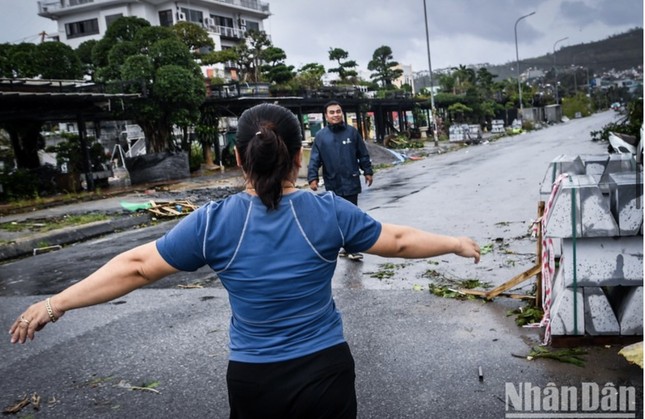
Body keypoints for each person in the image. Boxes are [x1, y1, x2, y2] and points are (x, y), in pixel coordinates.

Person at [10, 103, 480, 419]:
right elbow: (397, 240)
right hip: (326, 375)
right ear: (300, 156)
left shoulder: (214, 223)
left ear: (238, 157)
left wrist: (56, 304)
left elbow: (135, 267)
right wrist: (454, 242)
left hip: (255, 381)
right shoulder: (328, 213)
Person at [307, 100, 374, 261]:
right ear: (326, 115)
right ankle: (344, 246)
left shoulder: (352, 133)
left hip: (351, 181)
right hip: (332, 183)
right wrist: (312, 177)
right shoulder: (321, 137)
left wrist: (367, 171)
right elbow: (315, 159)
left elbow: (362, 154)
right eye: (332, 112)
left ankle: (352, 248)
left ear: (341, 113)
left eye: (338, 111)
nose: (335, 114)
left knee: (351, 215)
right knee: (336, 217)